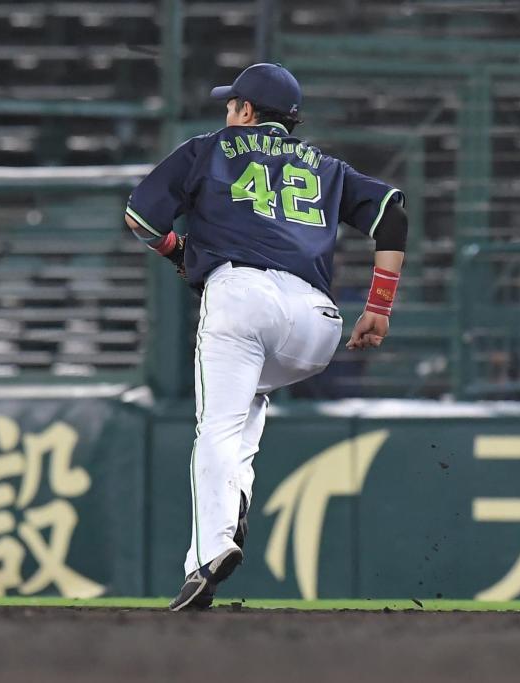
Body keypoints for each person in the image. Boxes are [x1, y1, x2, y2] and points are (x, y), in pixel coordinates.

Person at [124, 63, 407, 610]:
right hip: (317, 324)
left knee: (216, 429)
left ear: (247, 111)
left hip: (241, 297)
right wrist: (378, 306)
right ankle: (229, 514)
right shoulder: (325, 166)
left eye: (231, 104)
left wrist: (178, 253)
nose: (227, 112)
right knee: (247, 402)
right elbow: (391, 212)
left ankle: (211, 552)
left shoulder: (208, 149)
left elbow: (139, 216)